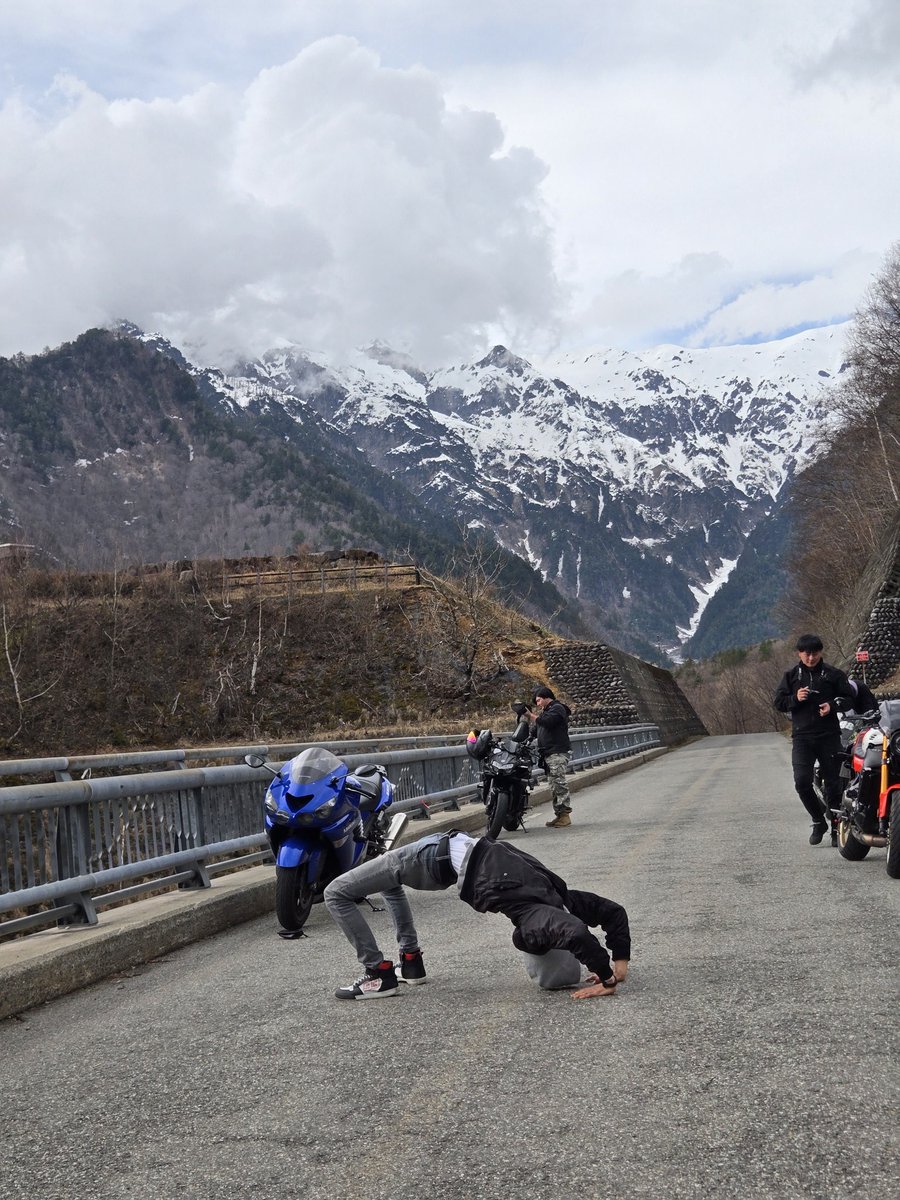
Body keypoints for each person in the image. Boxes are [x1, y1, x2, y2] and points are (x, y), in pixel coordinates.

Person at [323, 830, 630, 1001]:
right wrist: (609, 977)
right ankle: (390, 970)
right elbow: (576, 932)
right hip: (432, 856)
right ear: (542, 941)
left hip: (447, 849)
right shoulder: (537, 916)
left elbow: (612, 913)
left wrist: (619, 965)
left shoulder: (561, 897)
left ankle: (397, 968)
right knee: (336, 892)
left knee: (380, 883)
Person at [773, 634, 857, 846]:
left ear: (821, 652)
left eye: (815, 653)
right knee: (802, 782)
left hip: (829, 736)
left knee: (834, 784)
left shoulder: (833, 674)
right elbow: (778, 702)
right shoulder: (791, 676)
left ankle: (838, 830)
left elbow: (849, 698)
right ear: (799, 653)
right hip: (802, 737)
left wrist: (833, 706)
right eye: (806, 654)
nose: (811, 658)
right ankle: (819, 820)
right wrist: (795, 698)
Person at [526, 685, 573, 828]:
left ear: (547, 698)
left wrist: (531, 716)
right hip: (549, 753)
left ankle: (565, 816)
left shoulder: (558, 708)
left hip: (557, 752)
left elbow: (547, 722)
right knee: (553, 785)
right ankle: (559, 815)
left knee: (558, 782)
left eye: (539, 700)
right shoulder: (546, 713)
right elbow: (536, 729)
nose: (538, 704)